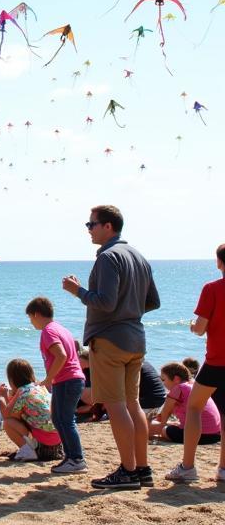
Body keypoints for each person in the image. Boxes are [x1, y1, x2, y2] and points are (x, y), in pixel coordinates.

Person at [62, 204, 160, 490]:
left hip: (109, 339)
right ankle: (142, 469)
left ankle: (128, 472)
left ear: (108, 226)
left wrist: (77, 291)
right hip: (135, 338)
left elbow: (105, 302)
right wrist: (130, 310)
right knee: (133, 404)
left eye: (91, 224)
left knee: (116, 405)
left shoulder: (108, 257)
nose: (89, 230)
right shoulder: (139, 256)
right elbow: (153, 301)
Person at [165, 243, 225, 483]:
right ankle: (223, 469)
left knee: (194, 407)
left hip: (216, 362)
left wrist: (192, 326)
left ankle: (188, 466)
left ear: (219, 262)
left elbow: (200, 328)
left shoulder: (212, 288)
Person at [25, 296, 87, 473]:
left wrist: (48, 379)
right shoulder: (61, 328)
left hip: (67, 380)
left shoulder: (48, 331)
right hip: (71, 379)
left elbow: (61, 356)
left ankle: (76, 459)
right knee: (59, 419)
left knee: (65, 420)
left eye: (30, 318)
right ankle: (70, 457)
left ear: (36, 314)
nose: (31, 323)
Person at [0, 359, 64, 462]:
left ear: (12, 379)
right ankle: (29, 449)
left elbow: (8, 416)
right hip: (57, 445)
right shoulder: (39, 387)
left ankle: (28, 451)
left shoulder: (23, 392)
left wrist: (2, 397)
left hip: (45, 447)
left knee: (8, 423)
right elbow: (16, 413)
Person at [148, 362, 220, 446]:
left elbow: (162, 419)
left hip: (199, 436)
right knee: (172, 424)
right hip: (216, 435)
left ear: (176, 379)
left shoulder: (178, 388)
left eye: (164, 380)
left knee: (161, 429)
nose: (163, 384)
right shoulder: (193, 385)